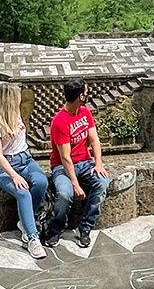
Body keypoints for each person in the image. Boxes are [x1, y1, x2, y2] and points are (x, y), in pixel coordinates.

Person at [45, 78, 110, 250]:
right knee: (65, 194)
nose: (88, 95)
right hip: (63, 167)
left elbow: (94, 140)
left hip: (85, 162)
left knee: (102, 183)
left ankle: (85, 227)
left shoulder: (85, 113)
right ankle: (56, 228)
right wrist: (75, 184)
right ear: (80, 96)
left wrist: (98, 164)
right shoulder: (60, 121)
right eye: (86, 92)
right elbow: (65, 157)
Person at [0, 82, 48, 260]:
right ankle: (32, 238)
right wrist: (14, 175)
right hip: (7, 166)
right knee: (23, 192)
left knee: (41, 182)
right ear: (9, 100)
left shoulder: (17, 115)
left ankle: (25, 223)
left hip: (25, 159)